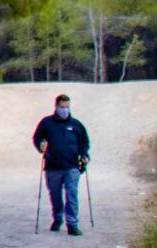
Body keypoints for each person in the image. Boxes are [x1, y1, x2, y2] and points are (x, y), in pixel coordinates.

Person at [32, 94, 90, 236]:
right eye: (62, 107)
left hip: (72, 166)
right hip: (52, 166)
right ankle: (57, 218)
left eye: (67, 107)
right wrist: (41, 145)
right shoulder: (47, 123)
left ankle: (72, 224)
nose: (65, 110)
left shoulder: (76, 125)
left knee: (72, 194)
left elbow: (84, 142)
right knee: (55, 194)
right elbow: (37, 137)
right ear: (56, 107)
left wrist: (84, 155)